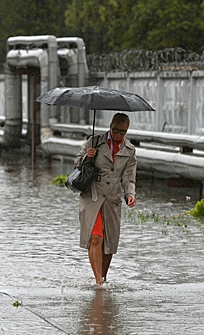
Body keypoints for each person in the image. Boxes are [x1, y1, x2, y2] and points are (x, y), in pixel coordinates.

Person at [74, 113, 137, 285]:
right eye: (115, 130)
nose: (118, 134)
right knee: (96, 237)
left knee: (109, 244)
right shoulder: (94, 142)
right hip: (93, 195)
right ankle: (98, 282)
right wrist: (88, 156)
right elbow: (77, 163)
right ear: (110, 126)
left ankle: (103, 276)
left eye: (122, 132)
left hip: (112, 198)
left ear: (127, 131)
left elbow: (129, 177)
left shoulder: (129, 150)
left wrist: (130, 194)